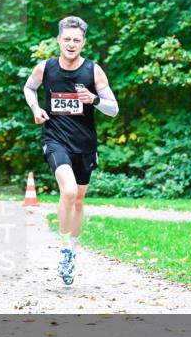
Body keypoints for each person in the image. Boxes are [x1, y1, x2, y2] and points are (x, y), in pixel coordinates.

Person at [23, 16, 119, 285]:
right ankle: (63, 244)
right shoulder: (46, 68)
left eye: (77, 40)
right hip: (55, 138)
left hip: (85, 145)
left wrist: (95, 99)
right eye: (67, 39)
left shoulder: (93, 71)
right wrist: (36, 109)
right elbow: (29, 88)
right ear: (59, 40)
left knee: (78, 200)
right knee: (69, 191)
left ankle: (71, 250)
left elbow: (114, 109)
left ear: (83, 43)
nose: (71, 44)